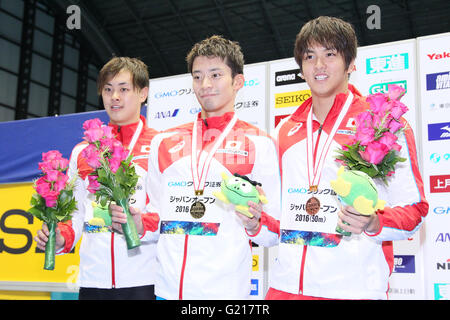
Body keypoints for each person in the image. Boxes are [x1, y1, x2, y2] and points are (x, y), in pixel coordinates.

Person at [265, 16, 428, 300]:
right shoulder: (284, 130)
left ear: (351, 63)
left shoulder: (382, 123)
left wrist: (374, 222)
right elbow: (277, 213)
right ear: (301, 67)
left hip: (353, 289)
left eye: (330, 54)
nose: (318, 65)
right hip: (286, 287)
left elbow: (415, 210)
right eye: (309, 56)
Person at [111, 35, 281, 299]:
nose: (205, 84)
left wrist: (255, 222)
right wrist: (138, 224)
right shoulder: (164, 142)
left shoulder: (259, 143)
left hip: (226, 292)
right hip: (168, 290)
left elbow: (274, 232)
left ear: (238, 82)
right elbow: (157, 218)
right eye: (197, 76)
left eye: (215, 74)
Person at [34, 57, 159, 300]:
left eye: (124, 89)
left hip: (145, 279)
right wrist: (60, 238)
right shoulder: (84, 150)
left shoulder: (159, 145)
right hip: (93, 280)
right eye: (108, 89)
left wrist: (141, 223)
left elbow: (167, 210)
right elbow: (75, 212)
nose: (115, 97)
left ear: (143, 93)